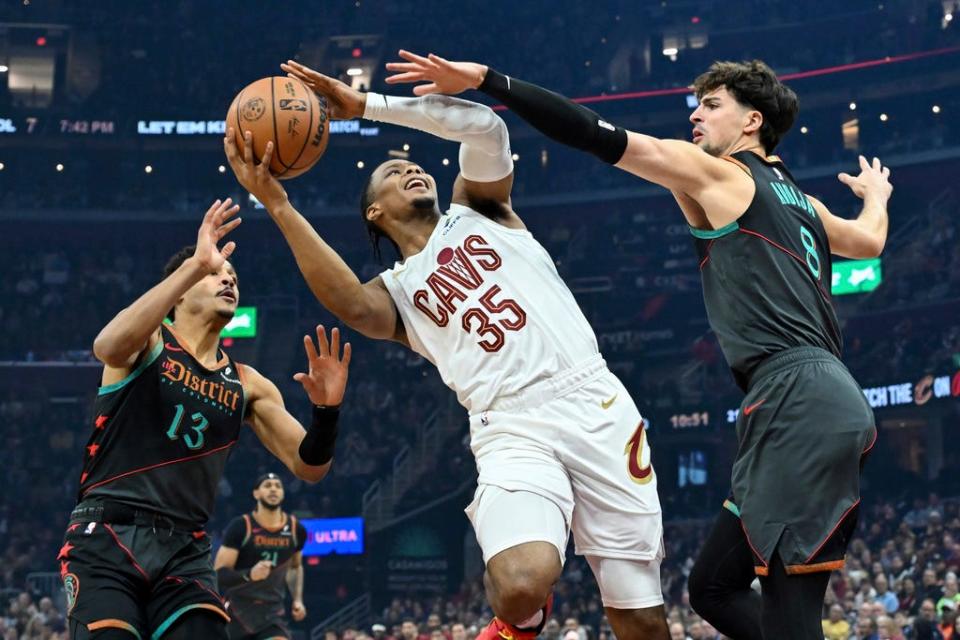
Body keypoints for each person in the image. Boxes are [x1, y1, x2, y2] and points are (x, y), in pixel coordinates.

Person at [383, 51, 891, 640]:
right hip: (809, 396)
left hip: (796, 396)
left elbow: (590, 131)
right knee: (712, 588)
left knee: (789, 607)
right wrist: (876, 194)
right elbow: (869, 241)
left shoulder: (725, 175)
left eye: (711, 105)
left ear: (751, 122)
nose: (695, 115)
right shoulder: (803, 202)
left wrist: (488, 82)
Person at [224, 59, 668, 640]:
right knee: (518, 586)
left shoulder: (480, 209)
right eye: (390, 171)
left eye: (411, 163)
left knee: (642, 622)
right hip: (511, 428)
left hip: (596, 405)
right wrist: (279, 205)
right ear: (373, 212)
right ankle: (522, 621)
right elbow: (351, 305)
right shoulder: (400, 293)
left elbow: (488, 130)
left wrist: (366, 106)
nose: (409, 167)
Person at [58, 199, 351, 639]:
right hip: (107, 536)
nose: (228, 280)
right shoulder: (149, 342)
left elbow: (309, 466)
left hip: (184, 549)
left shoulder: (248, 383)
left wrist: (327, 413)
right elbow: (107, 346)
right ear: (180, 290)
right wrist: (196, 263)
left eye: (233, 278)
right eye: (216, 275)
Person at [214, 473, 309, 639]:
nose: (273, 489)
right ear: (256, 493)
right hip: (238, 611)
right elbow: (219, 575)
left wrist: (297, 599)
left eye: (278, 486)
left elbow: (295, 567)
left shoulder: (296, 529)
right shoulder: (241, 526)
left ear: (283, 494)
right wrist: (249, 574)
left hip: (272, 613)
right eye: (267, 485)